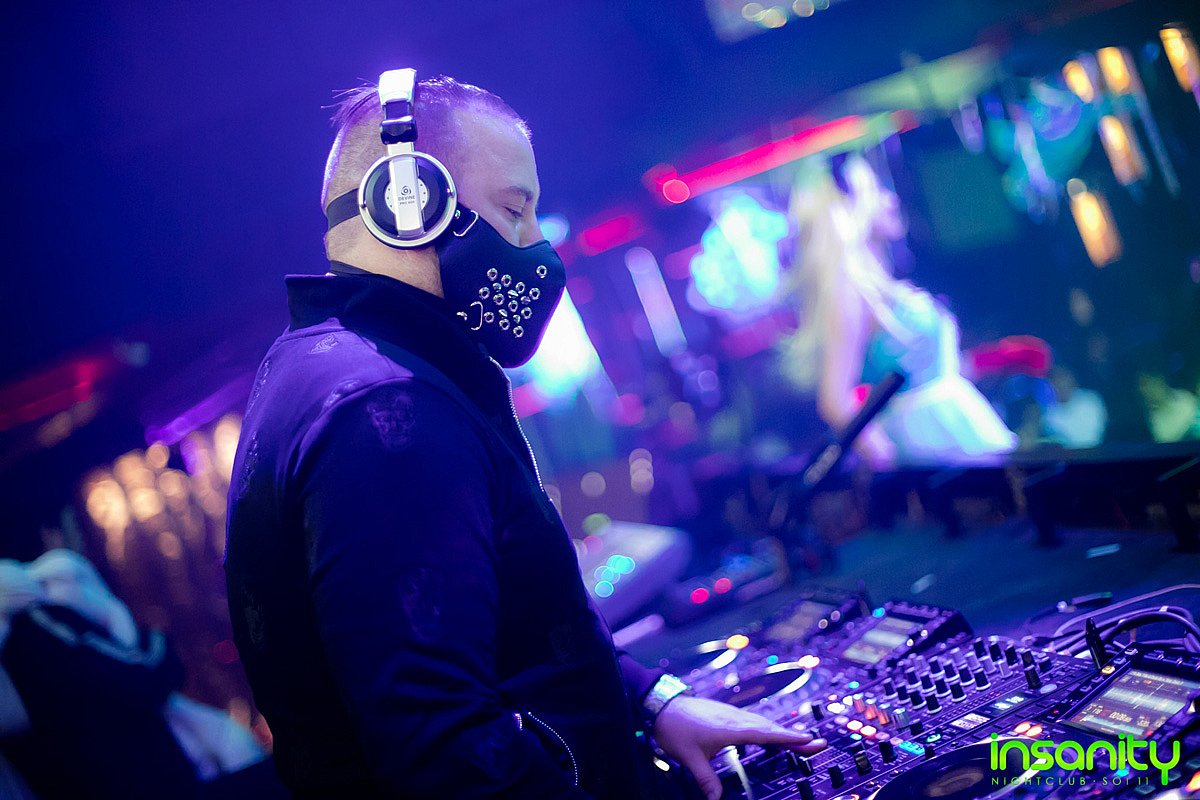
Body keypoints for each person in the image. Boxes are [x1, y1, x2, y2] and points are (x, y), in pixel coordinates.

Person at [224, 70, 824, 799]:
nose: (536, 246)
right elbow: (445, 749)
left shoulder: (326, 364)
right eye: (515, 210)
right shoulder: (387, 410)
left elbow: (492, 631)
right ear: (408, 203)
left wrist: (651, 700)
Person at [779, 152, 1016, 466]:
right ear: (853, 206)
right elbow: (834, 400)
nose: (890, 200)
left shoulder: (876, 286)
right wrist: (887, 463)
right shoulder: (850, 291)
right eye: (877, 190)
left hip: (953, 428)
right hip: (931, 444)